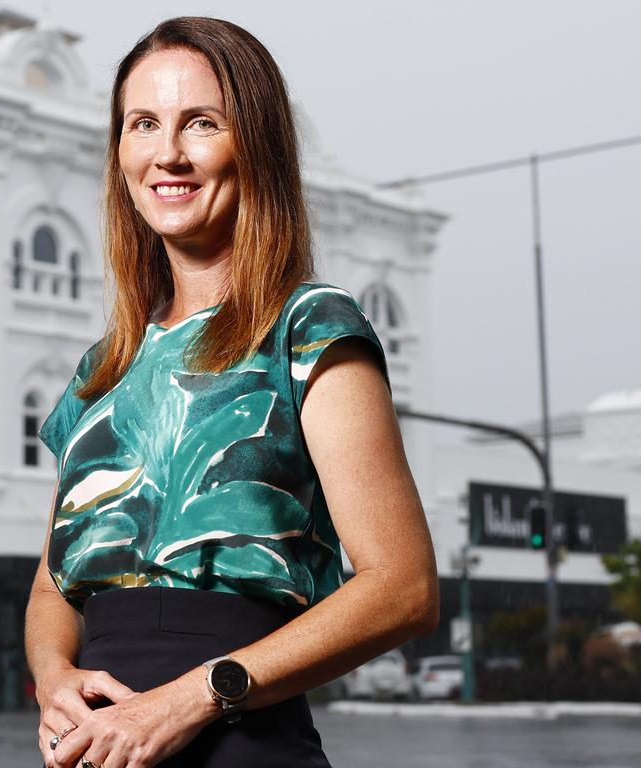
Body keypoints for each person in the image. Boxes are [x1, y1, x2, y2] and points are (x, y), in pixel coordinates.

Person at [25, 16, 439, 768]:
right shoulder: (102, 370)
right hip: (96, 751)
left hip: (242, 748)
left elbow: (404, 588)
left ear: (255, 145)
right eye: (142, 124)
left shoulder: (310, 328)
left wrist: (191, 698)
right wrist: (54, 680)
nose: (167, 153)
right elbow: (53, 589)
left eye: (201, 123)